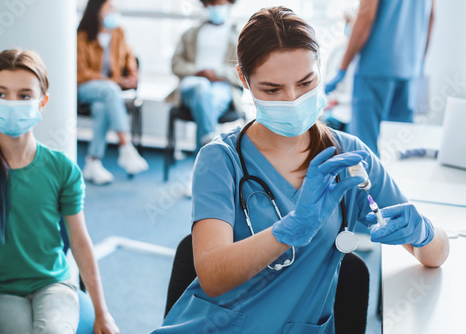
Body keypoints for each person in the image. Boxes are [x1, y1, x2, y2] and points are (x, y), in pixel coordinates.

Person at [154, 7, 448, 333]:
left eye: (306, 82)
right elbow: (211, 276)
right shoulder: (220, 160)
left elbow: (436, 254)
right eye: (272, 89)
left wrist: (423, 232)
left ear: (319, 68)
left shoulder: (348, 157)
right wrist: (289, 230)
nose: (292, 99)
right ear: (243, 79)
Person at [0, 50, 119, 333]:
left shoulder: (62, 169)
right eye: (1, 93)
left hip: (54, 284)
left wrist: (102, 312)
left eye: (24, 96)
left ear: (42, 102)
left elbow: (80, 242)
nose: (11, 103)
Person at [325, 0, 435, 156]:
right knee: (400, 148)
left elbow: (365, 16)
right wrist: (418, 63)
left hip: (375, 66)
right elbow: (431, 17)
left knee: (365, 150)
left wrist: (342, 67)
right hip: (409, 70)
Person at [78, 0, 148, 185]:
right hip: (85, 87)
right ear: (97, 11)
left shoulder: (118, 32)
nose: (114, 11)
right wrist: (116, 82)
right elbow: (81, 72)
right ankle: (125, 146)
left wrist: (133, 74)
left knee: (102, 107)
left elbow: (129, 57)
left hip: (109, 93)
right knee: (110, 91)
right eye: (109, 8)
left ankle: (93, 161)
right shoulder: (82, 36)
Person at [166, 0, 243, 150]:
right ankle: (211, 147)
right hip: (193, 82)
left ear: (229, 5)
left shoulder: (238, 36)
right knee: (202, 87)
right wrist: (197, 71)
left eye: (221, 4)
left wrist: (217, 74)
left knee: (208, 106)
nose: (216, 8)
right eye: (213, 4)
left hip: (222, 86)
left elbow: (243, 70)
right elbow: (176, 65)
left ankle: (201, 160)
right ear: (206, 5)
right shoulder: (189, 34)